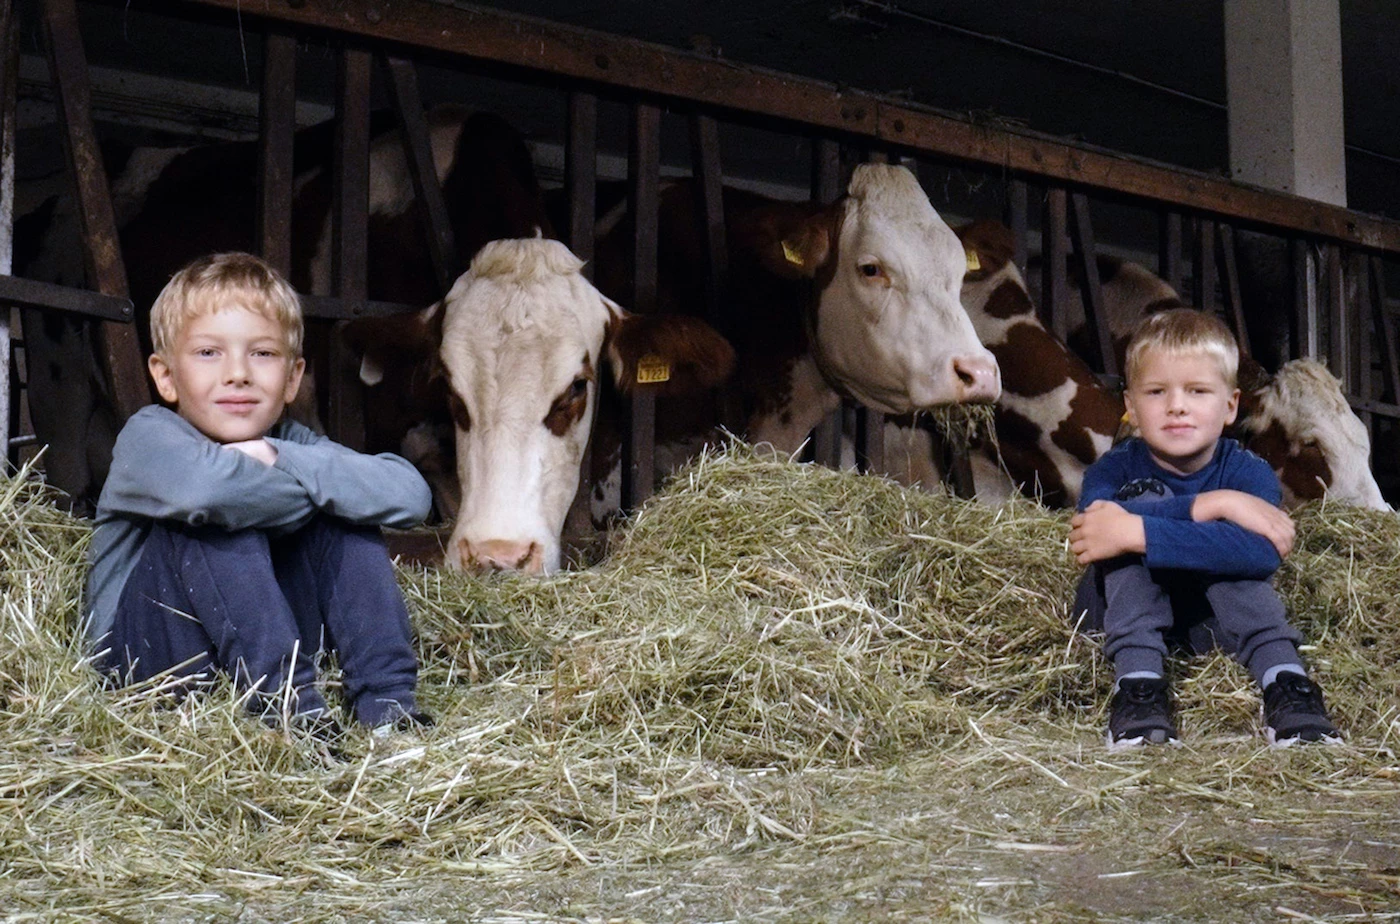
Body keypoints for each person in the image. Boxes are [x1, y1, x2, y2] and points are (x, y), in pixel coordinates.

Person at [85, 252, 434, 737]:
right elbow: (207, 490)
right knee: (224, 516)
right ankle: (294, 719)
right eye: (208, 353)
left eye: (263, 354)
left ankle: (388, 707)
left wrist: (276, 455)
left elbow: (411, 496)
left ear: (292, 379)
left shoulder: (291, 442)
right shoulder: (149, 437)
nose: (238, 373)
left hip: (249, 649)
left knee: (345, 515)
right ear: (165, 376)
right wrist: (317, 490)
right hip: (147, 664)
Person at [1069, 308, 1340, 750]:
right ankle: (1138, 688)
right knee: (1144, 499)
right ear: (1131, 407)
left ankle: (1286, 683)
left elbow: (1261, 554)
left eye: (1197, 391)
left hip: (1209, 626)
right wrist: (1214, 505)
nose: (1177, 405)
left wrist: (1138, 530)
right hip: (1115, 618)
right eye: (1156, 391)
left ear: (1230, 406)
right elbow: (1095, 533)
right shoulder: (1111, 470)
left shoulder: (1249, 473)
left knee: (1222, 550)